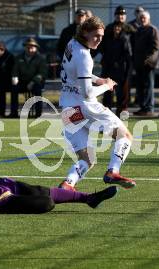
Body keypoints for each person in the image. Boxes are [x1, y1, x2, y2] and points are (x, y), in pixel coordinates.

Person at [58, 16, 136, 191]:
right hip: (86, 107)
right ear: (85, 32)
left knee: (87, 159)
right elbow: (87, 94)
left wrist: (98, 79)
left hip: (68, 110)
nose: (100, 40)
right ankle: (113, 171)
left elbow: (75, 72)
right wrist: (107, 86)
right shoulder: (85, 56)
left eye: (102, 36)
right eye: (96, 36)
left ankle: (68, 184)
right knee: (125, 136)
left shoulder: (72, 44)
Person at [99, 5, 135, 117]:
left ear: (125, 16)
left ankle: (122, 115)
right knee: (108, 92)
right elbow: (102, 45)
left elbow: (134, 48)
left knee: (123, 93)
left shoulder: (130, 30)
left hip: (124, 66)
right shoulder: (108, 28)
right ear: (115, 16)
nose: (120, 16)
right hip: (109, 65)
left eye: (122, 14)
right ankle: (107, 115)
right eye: (118, 14)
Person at [133, 10, 159, 116]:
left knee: (148, 86)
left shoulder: (153, 30)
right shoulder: (139, 30)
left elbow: (156, 47)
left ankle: (149, 108)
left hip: (149, 65)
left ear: (148, 19)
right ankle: (143, 107)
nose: (142, 19)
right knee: (140, 87)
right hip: (139, 64)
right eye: (141, 17)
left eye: (144, 17)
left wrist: (148, 60)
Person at [10, 37, 46, 118]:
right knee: (13, 88)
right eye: (28, 47)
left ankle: (38, 114)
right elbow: (15, 70)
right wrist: (14, 77)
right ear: (25, 47)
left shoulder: (41, 59)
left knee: (37, 90)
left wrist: (33, 82)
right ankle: (13, 113)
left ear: (36, 48)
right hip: (22, 81)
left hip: (35, 82)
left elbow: (42, 73)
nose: (30, 49)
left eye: (32, 47)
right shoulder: (19, 58)